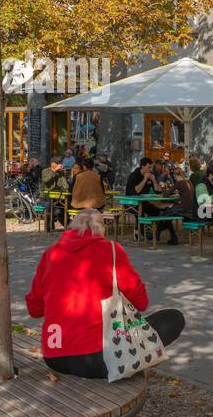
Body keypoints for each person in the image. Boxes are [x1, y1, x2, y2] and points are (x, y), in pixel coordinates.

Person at [26, 210, 186, 379]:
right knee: (174, 318)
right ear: (101, 229)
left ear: (72, 228)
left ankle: (132, 364)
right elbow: (141, 302)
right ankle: (135, 364)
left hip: (54, 356)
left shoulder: (51, 254)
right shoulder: (111, 250)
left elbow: (34, 310)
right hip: (97, 359)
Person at [41, 157, 71, 226]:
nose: (59, 165)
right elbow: (46, 180)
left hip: (59, 195)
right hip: (47, 195)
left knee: (65, 206)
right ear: (52, 164)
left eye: (60, 163)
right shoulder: (45, 171)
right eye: (57, 163)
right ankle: (49, 226)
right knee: (50, 208)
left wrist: (64, 175)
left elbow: (65, 185)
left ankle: (67, 224)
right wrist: (54, 171)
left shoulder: (60, 172)